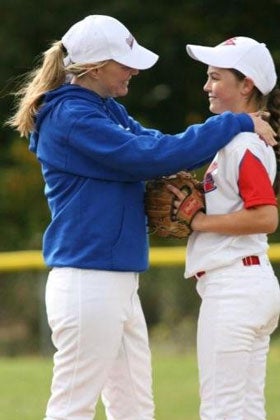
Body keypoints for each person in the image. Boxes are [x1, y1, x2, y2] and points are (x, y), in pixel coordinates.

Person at [6, 13, 276, 419]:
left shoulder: (104, 110)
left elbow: (159, 144)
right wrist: (237, 122)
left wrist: (228, 130)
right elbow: (148, 157)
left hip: (115, 279)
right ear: (96, 67)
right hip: (87, 279)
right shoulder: (72, 117)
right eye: (124, 62)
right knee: (72, 407)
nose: (133, 70)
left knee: (133, 407)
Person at [169, 36, 280, 419]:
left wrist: (200, 221)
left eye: (216, 77)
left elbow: (266, 215)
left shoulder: (243, 145)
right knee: (245, 409)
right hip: (246, 283)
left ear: (246, 84)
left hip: (235, 287)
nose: (206, 86)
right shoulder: (236, 140)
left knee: (221, 410)